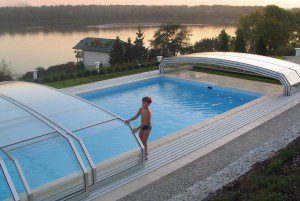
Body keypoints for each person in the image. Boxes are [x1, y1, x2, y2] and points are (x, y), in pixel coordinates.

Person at [125, 96, 152, 160]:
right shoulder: (141, 109)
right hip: (142, 126)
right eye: (142, 102)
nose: (142, 104)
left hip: (147, 127)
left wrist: (136, 129)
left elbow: (145, 123)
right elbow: (136, 116)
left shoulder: (148, 112)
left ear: (148, 104)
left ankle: (144, 155)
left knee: (144, 141)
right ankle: (144, 152)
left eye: (144, 103)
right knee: (140, 140)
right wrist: (129, 120)